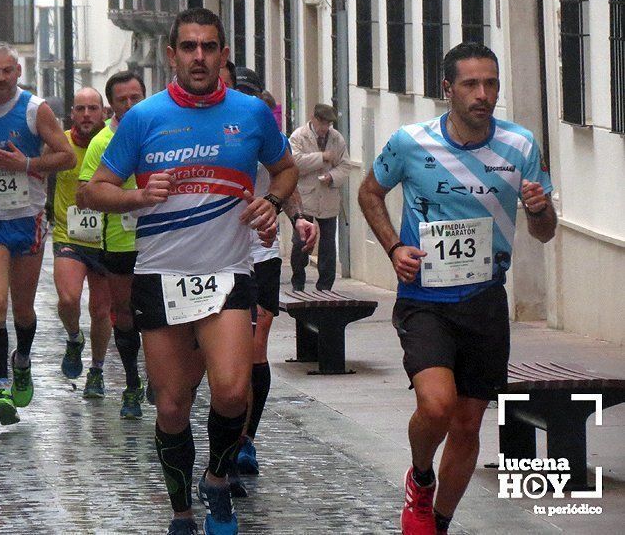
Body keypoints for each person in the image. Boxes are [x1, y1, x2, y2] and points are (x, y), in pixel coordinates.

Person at [85, 8, 297, 535]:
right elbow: (94, 188)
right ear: (171, 54)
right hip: (160, 278)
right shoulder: (143, 118)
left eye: (208, 47)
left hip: (227, 273)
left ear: (224, 54)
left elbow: (286, 167)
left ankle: (218, 480)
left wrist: (272, 201)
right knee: (173, 408)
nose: (199, 56)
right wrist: (136, 195)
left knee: (231, 392)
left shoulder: (251, 115)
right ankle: (182, 511)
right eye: (188, 47)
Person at [357, 42, 557, 535]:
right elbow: (369, 193)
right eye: (470, 84)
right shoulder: (410, 142)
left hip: (486, 299)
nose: (482, 94)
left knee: (468, 425)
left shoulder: (521, 146)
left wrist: (537, 207)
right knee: (437, 405)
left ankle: (439, 522)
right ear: (447, 89)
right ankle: (420, 478)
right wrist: (392, 249)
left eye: (490, 83)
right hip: (425, 299)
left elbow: (545, 231)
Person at [0, 42, 75, 425]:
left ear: (18, 72)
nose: (2, 78)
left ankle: (21, 360)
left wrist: (26, 163)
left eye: (8, 71)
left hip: (29, 216)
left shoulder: (35, 110)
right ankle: (1, 388)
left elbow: (67, 156)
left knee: (22, 308)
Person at [218, 65, 317, 496]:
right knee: (229, 356)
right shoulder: (218, 134)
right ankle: (227, 437)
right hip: (218, 254)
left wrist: (299, 220)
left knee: (255, 349)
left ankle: (246, 441)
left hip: (261, 255)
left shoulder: (265, 135)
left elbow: (287, 179)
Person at [76, 70, 148, 419]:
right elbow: (85, 193)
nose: (131, 104)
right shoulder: (102, 142)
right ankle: (132, 383)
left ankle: (162, 378)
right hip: (119, 242)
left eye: (137, 97)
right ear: (112, 105)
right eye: (123, 99)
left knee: (158, 314)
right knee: (124, 315)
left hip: (161, 239)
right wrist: (126, 196)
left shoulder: (161, 133)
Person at [50, 87, 111, 399]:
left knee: (101, 310)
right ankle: (74, 338)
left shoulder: (111, 143)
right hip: (68, 234)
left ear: (103, 112)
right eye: (80, 109)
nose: (87, 114)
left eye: (92, 108)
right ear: (71, 113)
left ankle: (97, 369)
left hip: (106, 238)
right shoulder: (61, 143)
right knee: (68, 299)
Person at [288, 103, 351, 291]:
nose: (325, 128)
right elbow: (295, 163)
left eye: (328, 124)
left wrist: (332, 176)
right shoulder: (298, 137)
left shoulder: (337, 139)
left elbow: (345, 165)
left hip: (328, 196)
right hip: (305, 197)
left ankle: (325, 285)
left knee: (328, 244)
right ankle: (298, 281)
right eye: (322, 123)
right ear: (313, 119)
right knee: (301, 241)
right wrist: (322, 157)